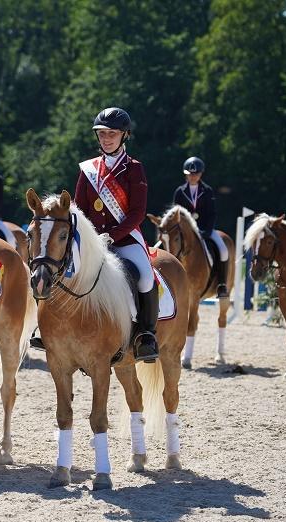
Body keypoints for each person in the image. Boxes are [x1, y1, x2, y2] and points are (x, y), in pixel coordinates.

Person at [75, 107, 158, 362]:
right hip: (92, 242)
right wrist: (88, 237)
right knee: (62, 270)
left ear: (124, 136)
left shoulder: (134, 169)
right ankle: (46, 329)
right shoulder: (88, 169)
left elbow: (137, 213)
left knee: (145, 277)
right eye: (102, 134)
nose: (106, 139)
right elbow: (79, 208)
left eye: (112, 134)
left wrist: (111, 235)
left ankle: (146, 334)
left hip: (124, 239)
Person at [172, 156, 229, 298]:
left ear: (200, 174)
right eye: (190, 174)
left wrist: (206, 231)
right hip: (184, 232)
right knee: (164, 245)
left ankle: (221, 284)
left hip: (205, 229)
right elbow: (175, 214)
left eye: (195, 174)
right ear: (186, 174)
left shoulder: (207, 191)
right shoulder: (180, 192)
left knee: (223, 250)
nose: (193, 177)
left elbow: (212, 213)